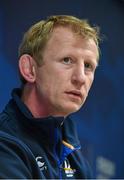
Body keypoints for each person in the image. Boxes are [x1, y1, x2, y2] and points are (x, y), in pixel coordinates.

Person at [0, 15, 100, 179]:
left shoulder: (77, 160)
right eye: (67, 60)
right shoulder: (5, 144)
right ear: (30, 69)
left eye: (88, 66)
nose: (81, 78)